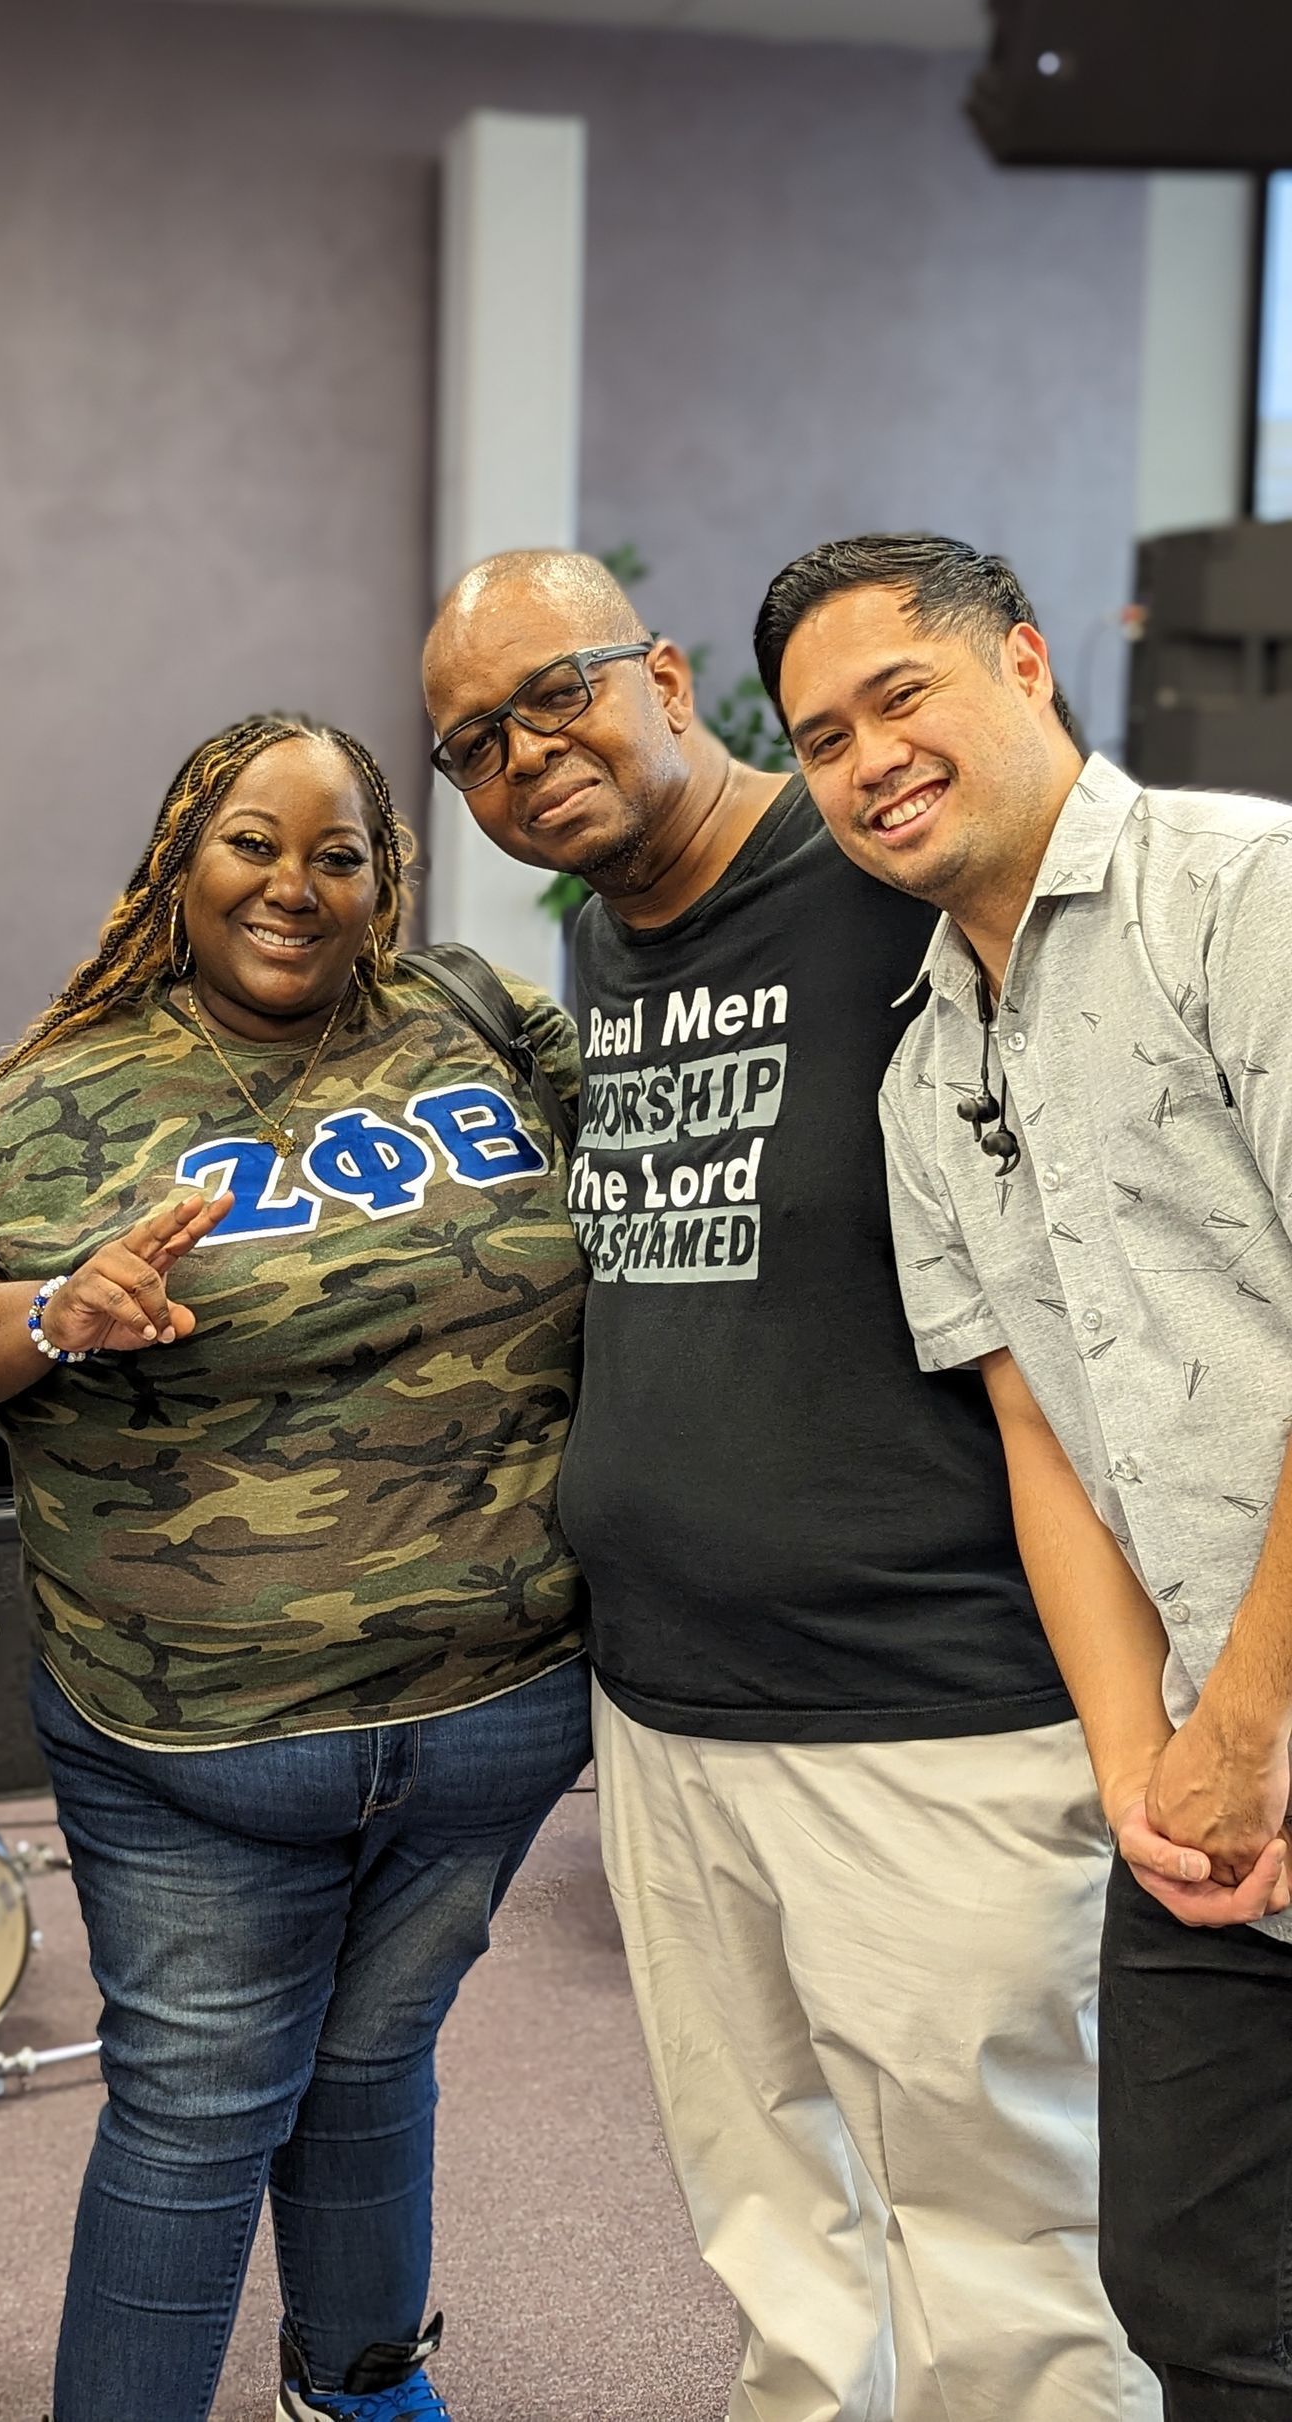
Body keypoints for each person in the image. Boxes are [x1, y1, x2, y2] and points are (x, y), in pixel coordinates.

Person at [424, 548, 1153, 2422]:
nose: (527, 755)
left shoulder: (890, 880)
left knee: (1007, 2260)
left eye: (558, 692)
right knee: (775, 2238)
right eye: (474, 745)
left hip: (933, 1703)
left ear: (662, 675)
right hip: (669, 1712)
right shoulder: (600, 939)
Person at [0, 712, 588, 2422]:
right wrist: (55, 1312)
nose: (295, 883)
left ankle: (357, 2387)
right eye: (252, 842)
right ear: (181, 863)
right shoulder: (72, 1090)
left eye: (338, 851)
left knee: (373, 2061)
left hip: (495, 1715)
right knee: (196, 2113)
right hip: (205, 1737)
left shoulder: (478, 1022)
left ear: (384, 875)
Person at [760, 528, 1292, 2418]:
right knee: (1194, 2299)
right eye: (821, 737)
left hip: (1267, 1708)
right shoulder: (921, 1073)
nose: (868, 756)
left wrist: (1248, 1716)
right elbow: (1039, 1433)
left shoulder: (1246, 897)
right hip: (1204, 1785)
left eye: (898, 694)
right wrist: (1145, 1762)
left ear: (1028, 664)